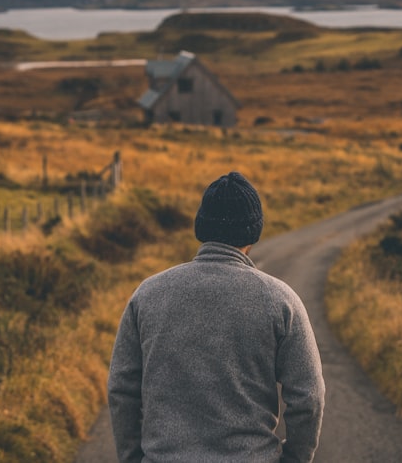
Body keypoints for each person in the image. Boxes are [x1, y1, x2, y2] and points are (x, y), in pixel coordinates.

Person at [107, 171, 325, 462]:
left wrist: (133, 457)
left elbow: (121, 389)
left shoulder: (147, 295)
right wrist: (295, 459)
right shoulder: (282, 301)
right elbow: (309, 397)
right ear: (253, 232)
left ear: (201, 227)